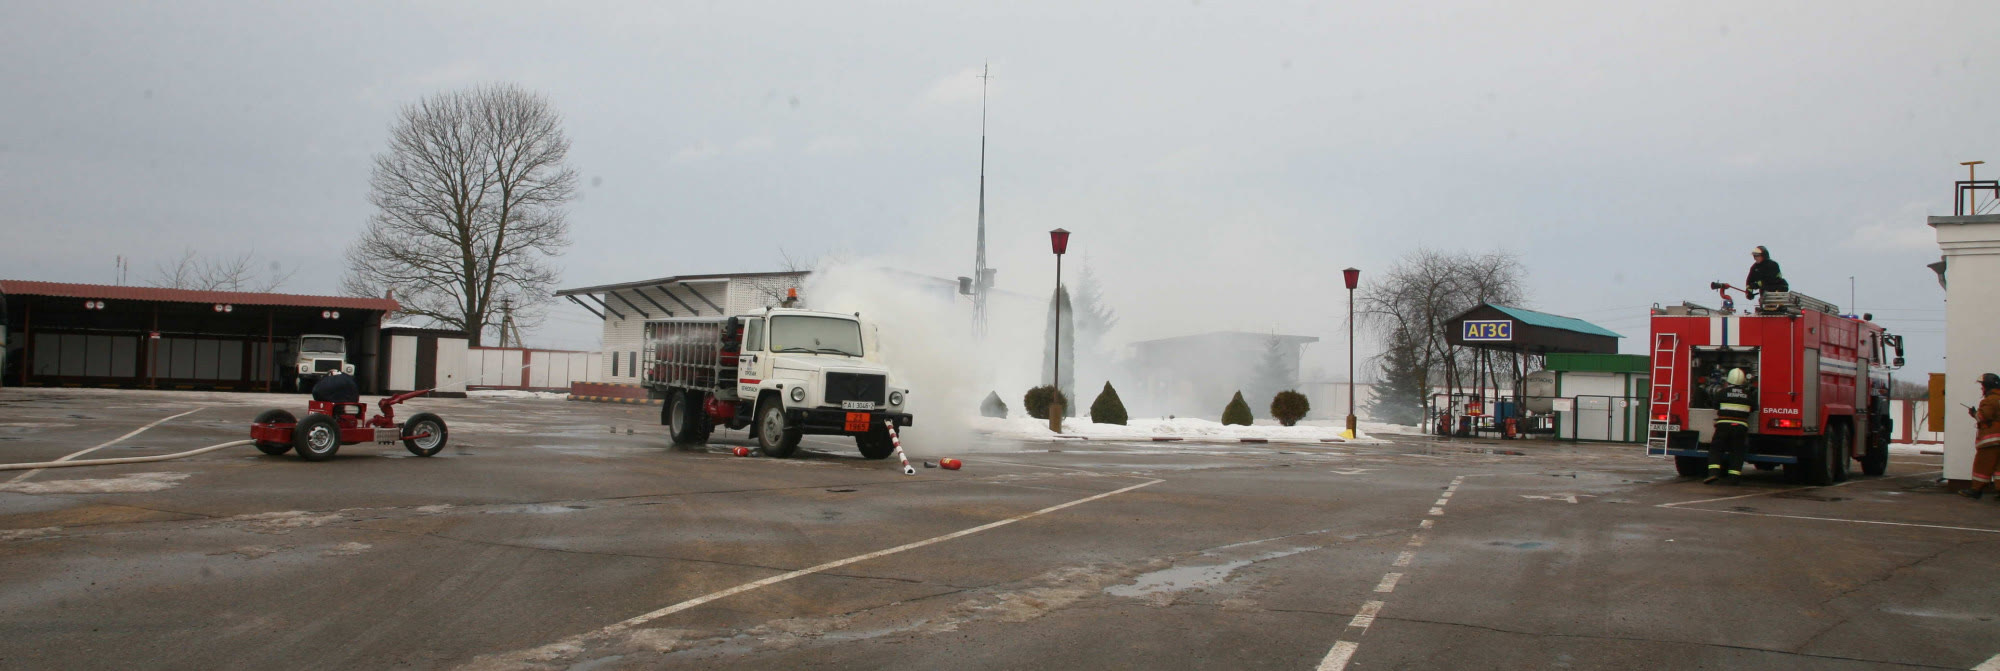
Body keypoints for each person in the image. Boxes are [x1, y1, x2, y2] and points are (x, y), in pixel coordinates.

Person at [1706, 368, 1754, 485]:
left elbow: (1715, 406)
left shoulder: (1722, 392)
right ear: (1743, 381)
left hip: (1723, 426)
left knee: (1716, 449)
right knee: (1737, 451)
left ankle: (1713, 473)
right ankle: (1734, 478)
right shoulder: (1748, 395)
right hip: (1740, 427)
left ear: (1728, 380)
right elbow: (1753, 408)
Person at [1957, 373, 2000, 500]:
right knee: (1999, 467)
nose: (1981, 388)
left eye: (1982, 386)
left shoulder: (1989, 400)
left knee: (1982, 465)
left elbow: (1983, 417)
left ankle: (1976, 490)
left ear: (1988, 385)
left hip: (1991, 441)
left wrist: (1974, 413)